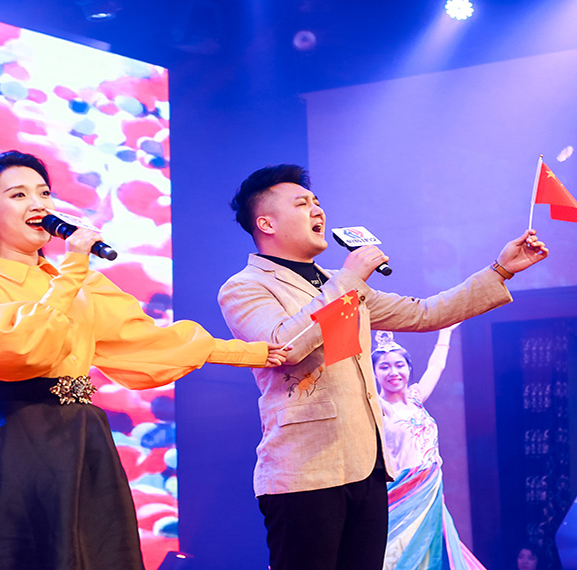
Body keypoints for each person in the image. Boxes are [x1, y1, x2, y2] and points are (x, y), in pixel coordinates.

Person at [0, 150, 288, 570]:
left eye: (43, 193)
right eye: (18, 195)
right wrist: (72, 269)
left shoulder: (82, 285)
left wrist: (252, 352)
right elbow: (22, 347)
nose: (38, 205)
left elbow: (145, 343)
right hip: (15, 439)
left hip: (81, 437)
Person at [217, 164, 549, 570]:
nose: (318, 211)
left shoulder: (341, 283)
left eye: (317, 202)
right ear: (266, 223)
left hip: (369, 470)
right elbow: (284, 346)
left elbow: (426, 312)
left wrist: (500, 270)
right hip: (305, 473)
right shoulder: (246, 286)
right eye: (302, 204)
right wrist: (349, 280)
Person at [374, 325, 485, 570]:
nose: (393, 372)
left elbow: (436, 366)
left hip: (431, 490)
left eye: (399, 365)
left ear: (409, 368)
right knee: (401, 554)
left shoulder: (416, 398)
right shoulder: (378, 408)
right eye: (384, 367)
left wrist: (446, 332)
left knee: (433, 553)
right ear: (374, 373)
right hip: (402, 491)